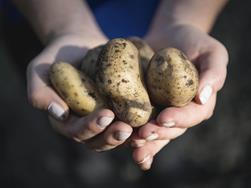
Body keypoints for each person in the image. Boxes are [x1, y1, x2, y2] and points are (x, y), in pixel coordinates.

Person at [13, 0, 229, 170]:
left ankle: (167, 162)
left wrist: (188, 17)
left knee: (162, 128)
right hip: (45, 13)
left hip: (156, 12)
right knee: (77, 126)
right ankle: (84, 163)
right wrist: (61, 26)